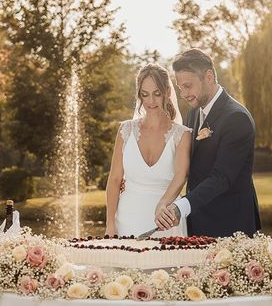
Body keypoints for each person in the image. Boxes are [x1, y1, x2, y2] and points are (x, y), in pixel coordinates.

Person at [155, 48, 261, 237]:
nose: (184, 94)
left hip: (231, 226)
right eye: (180, 88)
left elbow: (222, 177)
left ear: (209, 77)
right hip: (197, 222)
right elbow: (185, 163)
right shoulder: (194, 113)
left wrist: (181, 207)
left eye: (188, 86)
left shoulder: (237, 118)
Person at [105, 63, 192, 237]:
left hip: (166, 222)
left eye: (156, 94)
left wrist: (162, 204)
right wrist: (110, 223)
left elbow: (181, 175)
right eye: (145, 95)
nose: (150, 101)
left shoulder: (182, 135)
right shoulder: (125, 130)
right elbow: (114, 179)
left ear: (167, 92)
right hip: (127, 220)